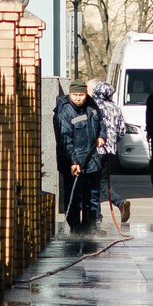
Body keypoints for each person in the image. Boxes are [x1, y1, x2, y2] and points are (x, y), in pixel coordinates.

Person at [54, 82, 105, 231]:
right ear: (70, 94)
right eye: (75, 95)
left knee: (92, 196)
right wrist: (73, 161)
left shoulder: (92, 107)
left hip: (92, 160)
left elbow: (102, 122)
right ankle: (75, 228)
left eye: (81, 95)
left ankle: (90, 226)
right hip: (74, 163)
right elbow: (65, 140)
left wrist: (102, 135)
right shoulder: (64, 112)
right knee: (74, 196)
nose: (78, 98)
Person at [89, 80, 130, 229]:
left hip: (95, 149)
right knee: (104, 181)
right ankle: (120, 202)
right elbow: (122, 130)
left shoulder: (94, 106)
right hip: (110, 151)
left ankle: (97, 215)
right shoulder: (115, 107)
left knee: (93, 182)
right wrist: (112, 142)